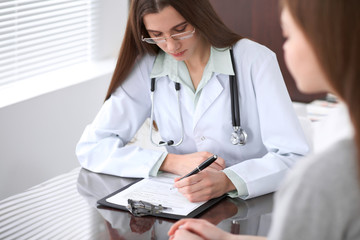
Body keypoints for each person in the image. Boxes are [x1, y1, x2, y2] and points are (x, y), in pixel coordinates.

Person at [76, 0, 309, 202]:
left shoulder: (255, 60)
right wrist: (169, 161)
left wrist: (229, 180)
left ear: (199, 16)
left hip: (247, 206)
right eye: (157, 35)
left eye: (180, 29)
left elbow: (294, 157)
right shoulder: (147, 67)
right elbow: (92, 147)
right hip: (180, 205)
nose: (171, 45)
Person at [168, 0, 360, 239]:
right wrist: (226, 238)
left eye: (288, 35)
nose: (285, 47)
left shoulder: (327, 174)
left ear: (329, 41)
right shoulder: (340, 136)